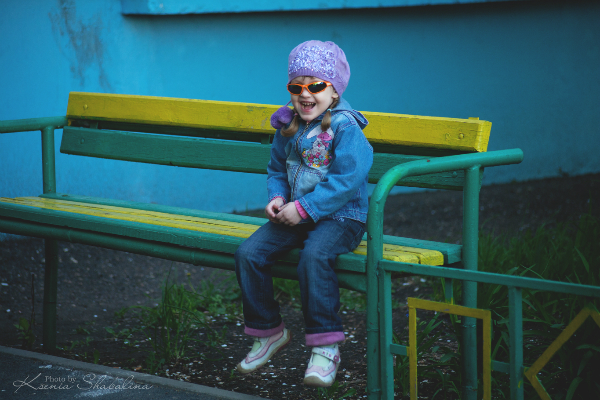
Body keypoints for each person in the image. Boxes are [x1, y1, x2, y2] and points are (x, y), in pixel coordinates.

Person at [234, 40, 373, 388]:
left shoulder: (345, 128)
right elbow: (276, 169)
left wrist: (305, 208)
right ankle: (268, 331)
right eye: (296, 88)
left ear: (335, 90)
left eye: (316, 86)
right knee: (249, 253)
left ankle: (326, 347)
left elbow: (348, 179)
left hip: (343, 217)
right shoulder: (290, 125)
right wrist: (278, 197)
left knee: (314, 256)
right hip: (297, 213)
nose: (305, 94)